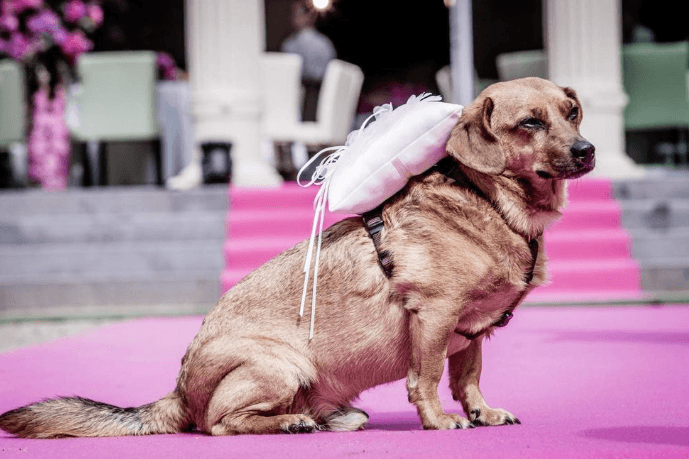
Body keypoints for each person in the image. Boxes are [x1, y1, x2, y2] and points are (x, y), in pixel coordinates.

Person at [281, 1, 336, 122]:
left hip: (312, 98)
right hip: (311, 97)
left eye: (297, 14)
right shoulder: (325, 43)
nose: (292, 18)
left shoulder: (318, 44)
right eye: (292, 14)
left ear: (309, 16)